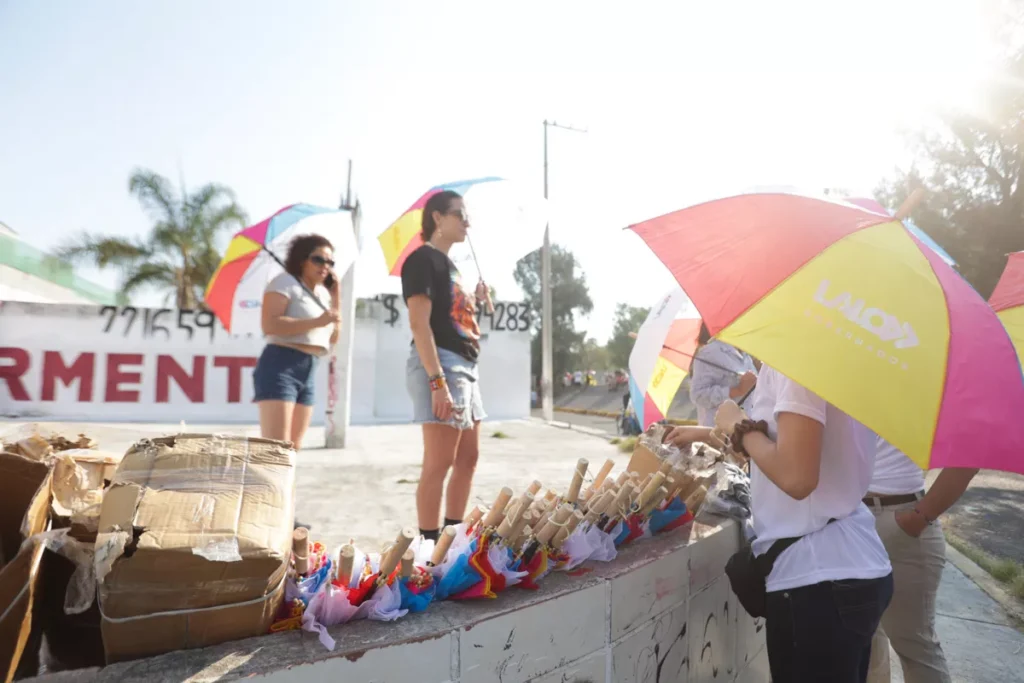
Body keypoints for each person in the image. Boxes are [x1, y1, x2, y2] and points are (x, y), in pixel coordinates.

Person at [666, 364, 893, 682]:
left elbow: (797, 477)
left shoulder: (796, 359)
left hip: (817, 577)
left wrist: (739, 425)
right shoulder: (836, 358)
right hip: (850, 561)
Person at [402, 190, 489, 541]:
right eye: (460, 214)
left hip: (466, 366)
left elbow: (452, 320)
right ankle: (428, 545)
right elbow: (419, 324)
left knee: (469, 458)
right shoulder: (422, 260)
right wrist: (437, 382)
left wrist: (476, 302)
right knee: (439, 463)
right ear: (437, 218)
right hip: (443, 366)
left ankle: (451, 539)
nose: (467, 222)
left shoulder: (451, 267)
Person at [866, 440, 978, 683]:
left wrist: (917, 519)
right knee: (866, 639)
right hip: (852, 518)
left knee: (915, 645)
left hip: (900, 516)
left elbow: (970, 454)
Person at [254, 234, 340, 449]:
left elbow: (332, 339)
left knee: (294, 448)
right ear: (302, 259)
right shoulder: (284, 282)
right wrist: (316, 321)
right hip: (281, 364)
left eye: (330, 262)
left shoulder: (322, 294)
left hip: (309, 366)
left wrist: (336, 298)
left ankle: (287, 485)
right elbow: (270, 325)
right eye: (318, 259)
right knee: (276, 449)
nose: (325, 266)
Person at [688, 323, 758, 427]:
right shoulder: (710, 352)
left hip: (743, 428)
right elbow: (698, 395)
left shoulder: (745, 353)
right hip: (716, 432)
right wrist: (737, 390)